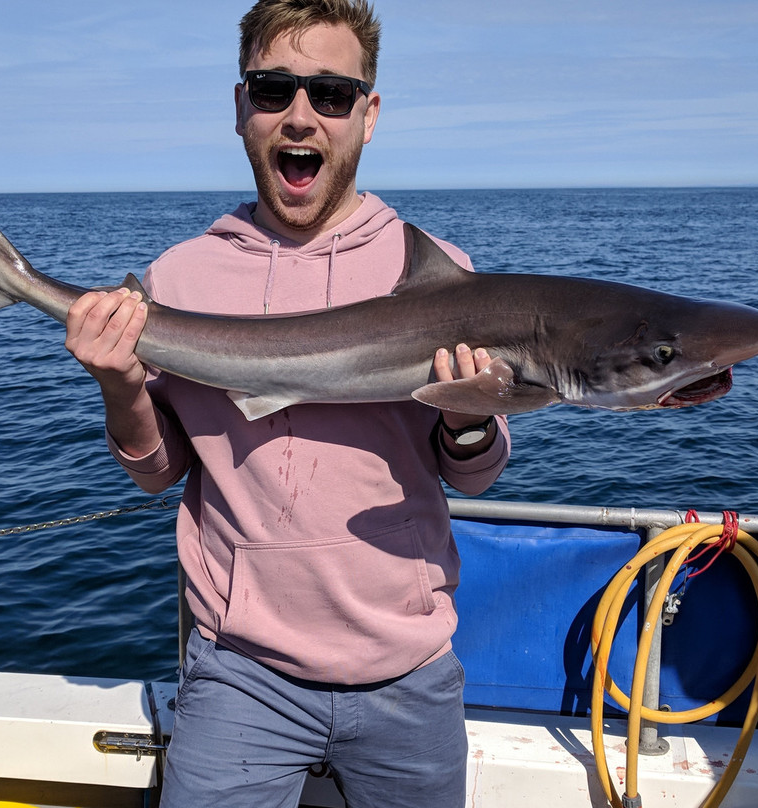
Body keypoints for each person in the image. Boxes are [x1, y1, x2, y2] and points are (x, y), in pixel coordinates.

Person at [64, 1, 510, 806]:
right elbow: (158, 471)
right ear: (242, 108)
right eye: (275, 90)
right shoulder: (182, 279)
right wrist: (120, 385)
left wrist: (469, 415)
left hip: (407, 667)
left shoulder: (444, 273)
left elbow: (473, 477)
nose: (301, 117)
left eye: (332, 95)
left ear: (368, 116)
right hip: (242, 672)